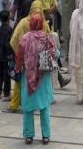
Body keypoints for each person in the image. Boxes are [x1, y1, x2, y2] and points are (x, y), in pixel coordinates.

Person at [17, 15, 56, 145]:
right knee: (44, 107)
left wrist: (19, 68)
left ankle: (29, 136)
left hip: (28, 77)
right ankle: (46, 136)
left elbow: (19, 57)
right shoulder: (46, 37)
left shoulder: (24, 38)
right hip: (43, 76)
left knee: (28, 108)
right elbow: (56, 53)